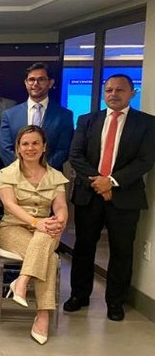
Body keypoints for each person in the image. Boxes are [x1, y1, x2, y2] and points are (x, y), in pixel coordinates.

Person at [65, 74, 155, 322]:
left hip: (124, 197)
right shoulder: (87, 120)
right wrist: (99, 181)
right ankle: (79, 296)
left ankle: (115, 301)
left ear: (131, 93)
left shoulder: (147, 123)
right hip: (89, 195)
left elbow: (145, 160)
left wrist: (112, 181)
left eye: (120, 90)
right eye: (109, 90)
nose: (113, 94)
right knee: (83, 248)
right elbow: (76, 155)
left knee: (121, 251)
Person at [0, 125, 69, 344]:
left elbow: (61, 208)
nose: (30, 148)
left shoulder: (56, 176)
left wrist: (60, 221)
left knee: (46, 236)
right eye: (25, 144)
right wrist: (37, 223)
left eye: (35, 143)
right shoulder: (7, 173)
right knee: (50, 257)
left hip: (47, 230)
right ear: (18, 148)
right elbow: (10, 205)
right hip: (13, 228)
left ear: (44, 146)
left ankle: (22, 280)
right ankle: (43, 315)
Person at [0, 62, 74, 170]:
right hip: (16, 176)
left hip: (50, 177)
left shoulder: (64, 115)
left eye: (41, 79)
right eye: (31, 79)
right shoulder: (9, 114)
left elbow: (63, 150)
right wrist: (22, 169)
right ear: (26, 83)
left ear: (51, 83)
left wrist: (42, 170)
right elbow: (5, 148)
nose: (35, 83)